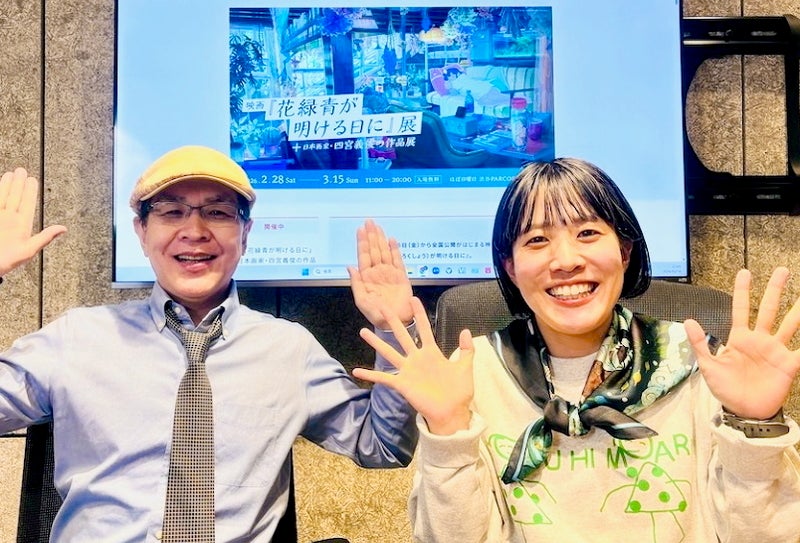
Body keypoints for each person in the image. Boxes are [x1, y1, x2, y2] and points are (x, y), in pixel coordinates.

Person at [355, 157, 800, 542]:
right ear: (510, 268)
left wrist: (756, 426)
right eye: (537, 240)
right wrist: (449, 431)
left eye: (587, 232)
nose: (566, 260)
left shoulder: (697, 364)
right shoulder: (475, 374)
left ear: (624, 251)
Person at [0, 145, 417, 542]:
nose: (195, 232)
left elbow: (382, 445)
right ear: (141, 231)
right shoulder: (77, 338)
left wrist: (394, 327)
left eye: (217, 213)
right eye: (171, 212)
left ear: (245, 232)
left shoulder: (289, 349)